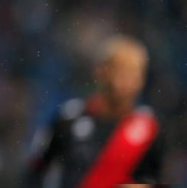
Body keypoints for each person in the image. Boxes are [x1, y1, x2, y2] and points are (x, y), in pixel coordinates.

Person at [25, 35, 163, 187]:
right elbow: (36, 171)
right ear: (100, 71)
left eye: (135, 72)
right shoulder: (69, 119)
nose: (127, 80)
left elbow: (155, 179)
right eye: (121, 70)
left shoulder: (150, 131)